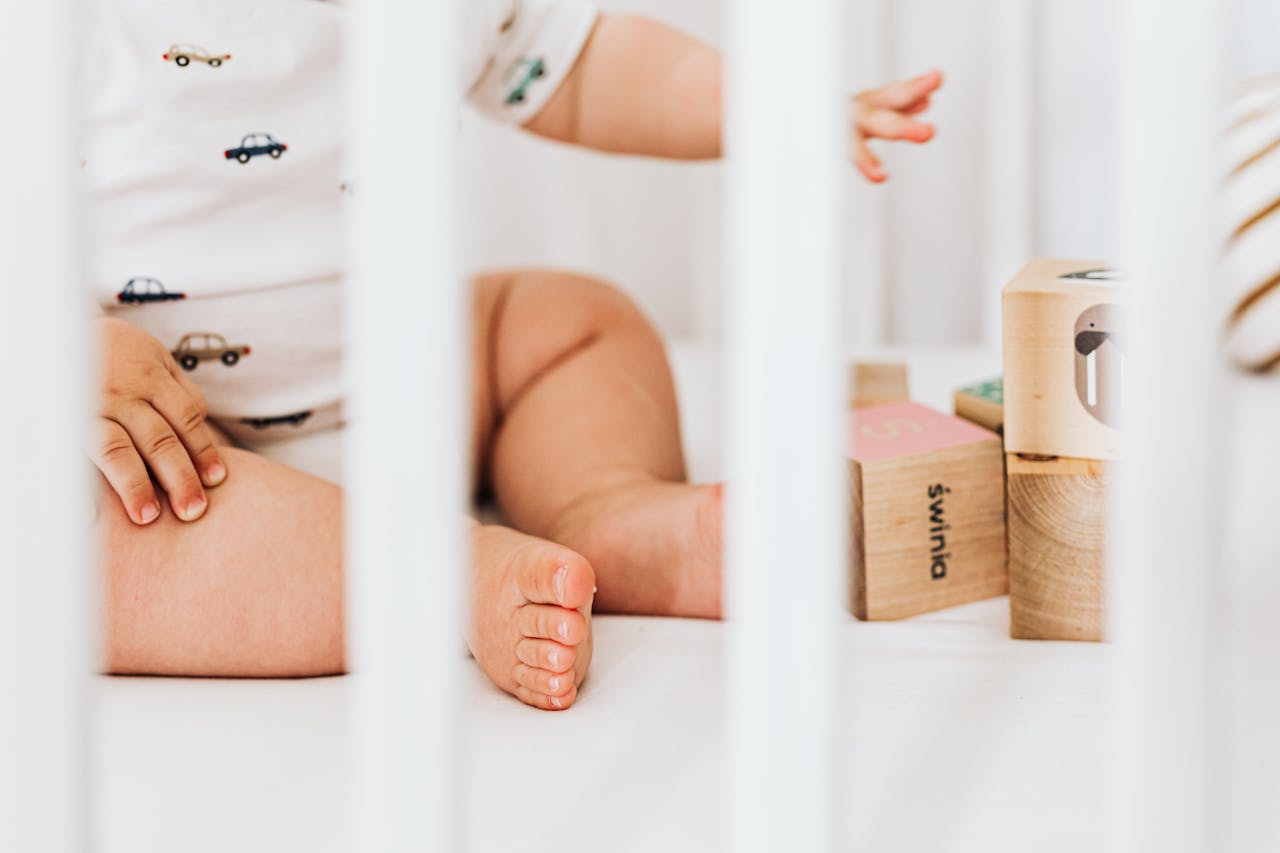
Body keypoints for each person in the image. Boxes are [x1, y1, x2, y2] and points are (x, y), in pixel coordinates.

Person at [89, 0, 942, 710]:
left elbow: (579, 64)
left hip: (421, 383)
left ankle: (609, 509)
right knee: (63, 535)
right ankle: (454, 577)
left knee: (573, 322)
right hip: (188, 463)